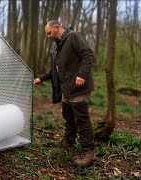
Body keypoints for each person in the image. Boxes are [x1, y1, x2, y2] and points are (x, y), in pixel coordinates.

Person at [33, 20, 95, 167]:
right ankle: (69, 141)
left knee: (82, 119)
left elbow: (88, 55)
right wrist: (41, 78)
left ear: (56, 27)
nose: (48, 36)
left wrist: (82, 75)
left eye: (49, 33)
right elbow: (54, 70)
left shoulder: (74, 37)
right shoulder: (56, 47)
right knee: (68, 116)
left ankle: (88, 151)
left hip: (78, 87)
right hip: (66, 90)